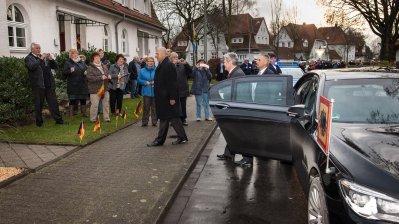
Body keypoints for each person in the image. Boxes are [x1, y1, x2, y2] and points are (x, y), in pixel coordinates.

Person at [216, 52, 253, 167]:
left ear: (230, 62)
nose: (224, 64)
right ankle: (228, 154)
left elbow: (239, 94)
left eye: (225, 62)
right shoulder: (235, 72)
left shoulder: (237, 74)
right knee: (233, 132)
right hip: (236, 108)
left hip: (239, 109)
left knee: (242, 134)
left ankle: (247, 159)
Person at [147, 47, 188, 147]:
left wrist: (172, 98)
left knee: (168, 118)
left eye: (157, 53)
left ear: (163, 54)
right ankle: (182, 137)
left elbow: (172, 83)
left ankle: (160, 140)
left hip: (167, 98)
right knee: (172, 118)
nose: (155, 55)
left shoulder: (168, 65)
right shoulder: (163, 64)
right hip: (164, 98)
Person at [25, 42, 64, 127]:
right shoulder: (29, 58)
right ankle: (39, 123)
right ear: (32, 49)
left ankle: (59, 120)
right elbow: (32, 67)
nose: (39, 50)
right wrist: (41, 59)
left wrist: (51, 59)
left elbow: (55, 67)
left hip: (49, 85)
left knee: (53, 103)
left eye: (39, 48)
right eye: (37, 48)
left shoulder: (43, 57)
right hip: (38, 85)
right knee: (39, 104)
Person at [63, 49, 89, 117]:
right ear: (70, 55)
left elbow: (87, 69)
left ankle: (84, 113)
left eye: (76, 53)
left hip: (82, 84)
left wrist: (86, 72)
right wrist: (69, 71)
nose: (75, 55)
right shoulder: (68, 62)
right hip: (73, 84)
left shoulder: (82, 62)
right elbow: (64, 73)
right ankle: (71, 114)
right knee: (72, 100)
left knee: (83, 99)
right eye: (73, 54)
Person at [86, 52, 111, 122]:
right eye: (96, 57)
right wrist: (100, 77)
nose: (98, 59)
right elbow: (89, 78)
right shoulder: (90, 68)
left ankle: (106, 118)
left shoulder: (104, 66)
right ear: (92, 59)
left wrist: (108, 76)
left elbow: (107, 73)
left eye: (98, 57)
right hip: (95, 90)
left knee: (106, 104)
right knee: (95, 105)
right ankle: (93, 119)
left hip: (105, 89)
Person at [170, 52, 192, 126]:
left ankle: (183, 119)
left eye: (176, 57)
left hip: (183, 89)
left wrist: (186, 64)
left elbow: (190, 72)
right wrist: (173, 65)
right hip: (173, 90)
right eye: (173, 57)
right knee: (174, 106)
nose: (175, 59)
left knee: (183, 105)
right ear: (170, 58)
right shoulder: (169, 66)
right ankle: (174, 120)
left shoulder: (183, 65)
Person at [138, 56, 157, 127]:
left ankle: (154, 121)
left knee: (154, 107)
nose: (150, 62)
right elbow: (139, 79)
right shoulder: (142, 70)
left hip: (155, 91)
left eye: (152, 61)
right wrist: (145, 82)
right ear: (146, 62)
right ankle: (145, 121)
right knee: (146, 107)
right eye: (149, 61)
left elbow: (160, 78)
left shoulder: (157, 69)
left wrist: (155, 82)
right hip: (146, 91)